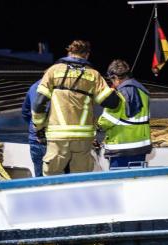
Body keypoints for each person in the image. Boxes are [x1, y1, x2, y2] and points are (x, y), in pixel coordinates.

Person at [31, 40, 120, 176]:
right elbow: (112, 103)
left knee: (51, 179)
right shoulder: (93, 75)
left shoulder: (53, 71)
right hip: (83, 139)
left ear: (69, 52)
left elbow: (39, 104)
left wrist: (39, 126)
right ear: (87, 55)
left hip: (57, 138)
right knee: (80, 179)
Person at [97, 60, 152, 169]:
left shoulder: (118, 95)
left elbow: (107, 121)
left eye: (111, 80)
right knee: (136, 180)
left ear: (115, 77)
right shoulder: (144, 92)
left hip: (121, 149)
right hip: (141, 147)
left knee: (120, 182)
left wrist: (97, 126)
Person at [21, 79, 47, 176]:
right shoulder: (54, 89)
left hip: (34, 140)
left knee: (39, 177)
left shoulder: (33, 87)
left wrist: (33, 125)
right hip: (50, 141)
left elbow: (25, 112)